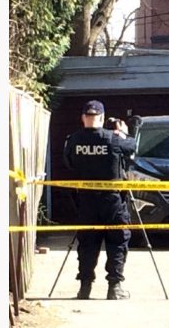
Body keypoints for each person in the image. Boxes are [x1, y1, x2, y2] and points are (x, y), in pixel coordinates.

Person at [63, 100, 137, 300]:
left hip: (86, 201)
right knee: (117, 242)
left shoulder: (73, 140)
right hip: (112, 200)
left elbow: (68, 163)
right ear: (102, 118)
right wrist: (123, 132)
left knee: (87, 243)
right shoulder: (114, 138)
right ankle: (114, 288)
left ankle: (84, 287)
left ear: (83, 118)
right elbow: (133, 147)